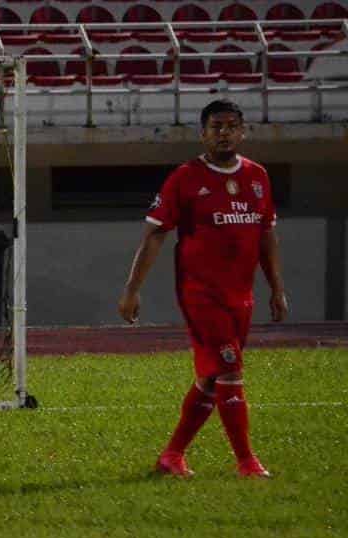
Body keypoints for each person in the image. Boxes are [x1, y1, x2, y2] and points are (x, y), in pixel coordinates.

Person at [119, 99, 289, 478]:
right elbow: (154, 236)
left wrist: (276, 288)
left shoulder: (258, 176)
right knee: (229, 368)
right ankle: (247, 462)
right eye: (216, 126)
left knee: (211, 377)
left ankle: (172, 455)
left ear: (242, 131)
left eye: (231, 125)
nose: (224, 132)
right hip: (201, 294)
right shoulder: (186, 178)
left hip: (241, 296)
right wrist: (132, 289)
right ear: (203, 133)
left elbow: (267, 236)